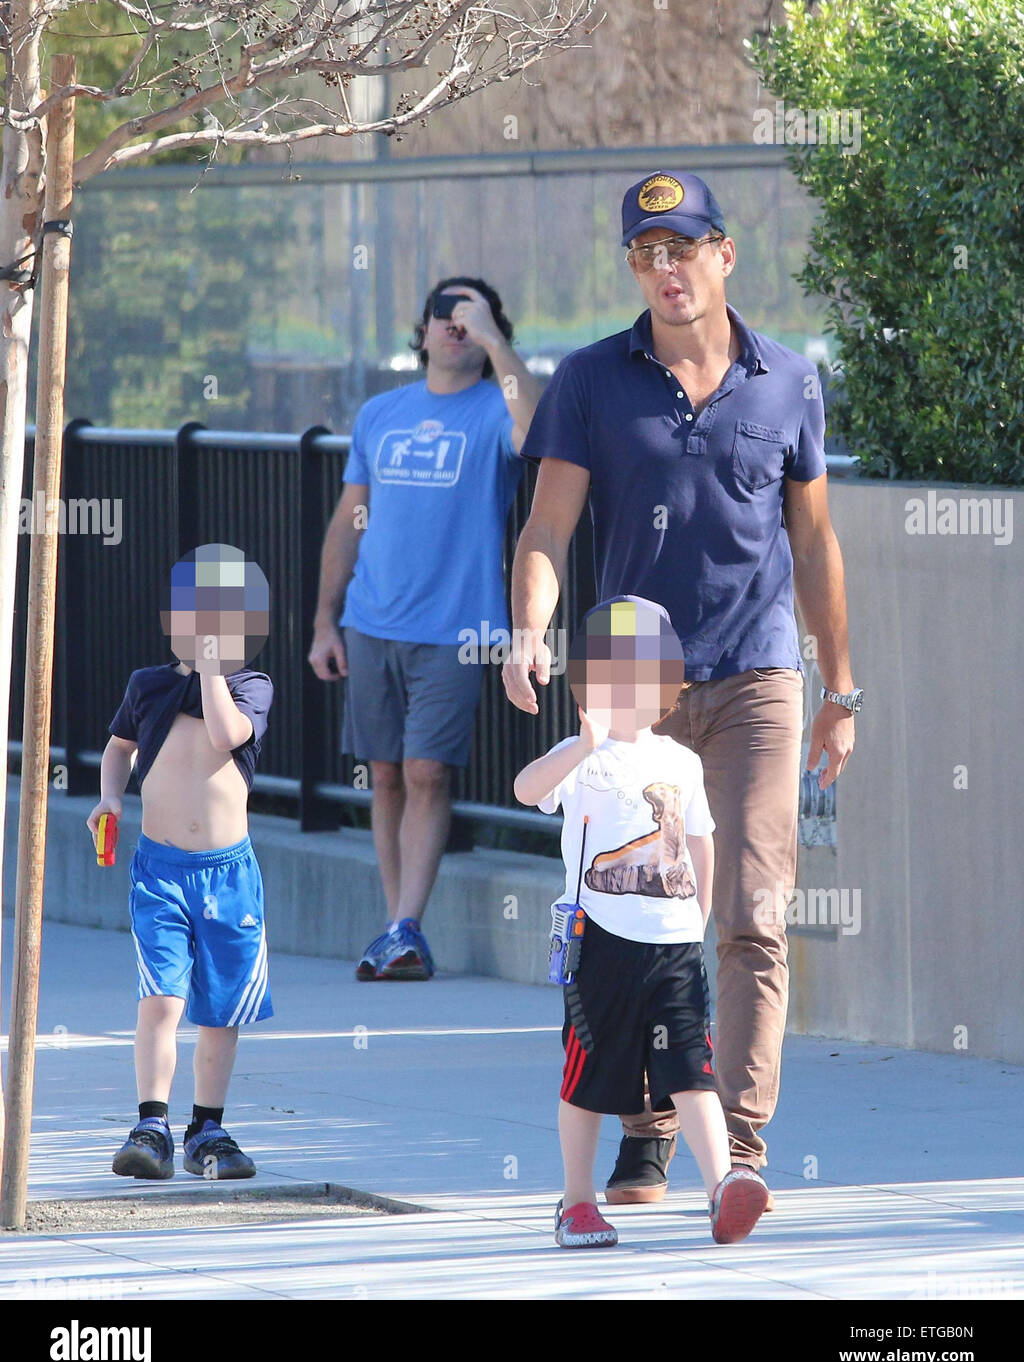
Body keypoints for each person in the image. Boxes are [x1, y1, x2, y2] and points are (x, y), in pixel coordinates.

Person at [504, 170, 860, 1207]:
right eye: (645, 253)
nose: (666, 269)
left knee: (749, 907)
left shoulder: (787, 381)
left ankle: (738, 1144)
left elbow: (813, 538)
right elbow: (545, 526)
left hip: (758, 676)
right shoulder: (587, 381)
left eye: (683, 247)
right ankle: (646, 1127)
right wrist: (528, 627)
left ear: (723, 254)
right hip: (631, 692)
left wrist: (842, 686)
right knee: (630, 912)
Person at [515, 595, 769, 1247]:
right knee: (590, 1074)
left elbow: (701, 840)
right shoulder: (583, 757)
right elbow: (525, 789)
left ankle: (723, 1188)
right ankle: (575, 1201)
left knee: (691, 1068)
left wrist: (700, 915)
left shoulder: (682, 762)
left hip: (674, 947)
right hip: (600, 944)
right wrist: (581, 746)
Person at [309, 277, 541, 981]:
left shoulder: (494, 410)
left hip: (457, 628)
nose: (457, 324)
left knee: (427, 771)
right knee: (384, 775)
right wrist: (325, 619)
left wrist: (497, 343)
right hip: (372, 620)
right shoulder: (381, 413)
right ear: (423, 328)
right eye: (446, 311)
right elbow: (349, 521)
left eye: (474, 314)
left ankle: (408, 923)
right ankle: (397, 928)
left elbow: (533, 430)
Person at [87, 555, 274, 1181]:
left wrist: (215, 669)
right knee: (162, 998)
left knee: (220, 1011)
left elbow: (226, 735)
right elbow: (119, 749)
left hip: (229, 877)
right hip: (161, 872)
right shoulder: (147, 685)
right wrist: (111, 796)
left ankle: (208, 1127)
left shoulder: (252, 686)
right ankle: (151, 1122)